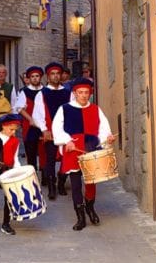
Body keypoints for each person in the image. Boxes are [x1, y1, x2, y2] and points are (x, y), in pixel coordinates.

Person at [52, 77, 115, 231]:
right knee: (75, 184)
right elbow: (57, 128)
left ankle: (90, 208)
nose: (84, 95)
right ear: (75, 93)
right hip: (73, 150)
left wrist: (107, 138)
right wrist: (67, 141)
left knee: (91, 182)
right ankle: (80, 217)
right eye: (80, 92)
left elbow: (103, 128)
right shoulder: (65, 108)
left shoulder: (95, 109)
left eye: (87, 92)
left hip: (91, 148)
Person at [32, 62, 70, 200]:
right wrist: (44, 130)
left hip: (65, 131)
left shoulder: (68, 93)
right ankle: (52, 188)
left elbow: (71, 111)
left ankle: (61, 183)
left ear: (61, 76)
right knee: (50, 160)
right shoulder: (42, 94)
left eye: (57, 74)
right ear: (48, 77)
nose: (55, 76)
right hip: (50, 132)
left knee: (67, 158)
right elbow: (37, 114)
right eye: (52, 74)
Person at [15, 66, 44, 172]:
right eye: (32, 76)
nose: (35, 78)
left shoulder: (45, 91)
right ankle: (33, 176)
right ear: (29, 78)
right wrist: (30, 119)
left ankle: (46, 177)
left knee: (43, 152)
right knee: (31, 153)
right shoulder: (25, 91)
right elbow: (19, 108)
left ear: (40, 77)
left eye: (37, 76)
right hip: (30, 126)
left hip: (44, 126)